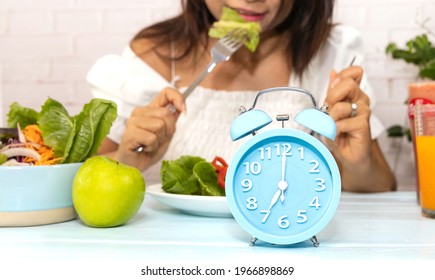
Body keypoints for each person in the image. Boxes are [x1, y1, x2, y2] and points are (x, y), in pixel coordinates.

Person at [87, 0, 397, 192]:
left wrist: (354, 161)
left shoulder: (331, 53)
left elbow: (381, 185)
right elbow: (79, 183)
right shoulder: (151, 56)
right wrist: (127, 162)